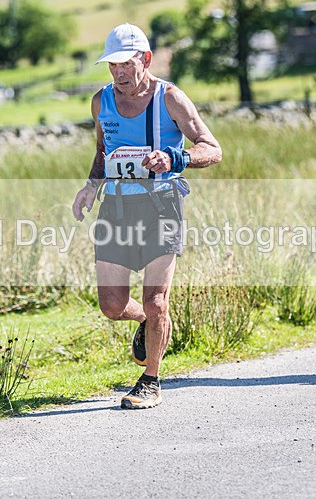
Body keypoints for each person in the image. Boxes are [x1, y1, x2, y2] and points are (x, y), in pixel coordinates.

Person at [72, 23, 222, 408]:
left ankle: (150, 381)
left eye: (125, 64)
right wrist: (91, 186)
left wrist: (177, 157)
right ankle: (143, 324)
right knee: (111, 305)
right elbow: (104, 151)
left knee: (157, 300)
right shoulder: (100, 102)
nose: (118, 73)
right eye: (112, 66)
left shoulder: (170, 98)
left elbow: (212, 148)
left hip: (162, 206)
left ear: (146, 59)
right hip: (117, 209)